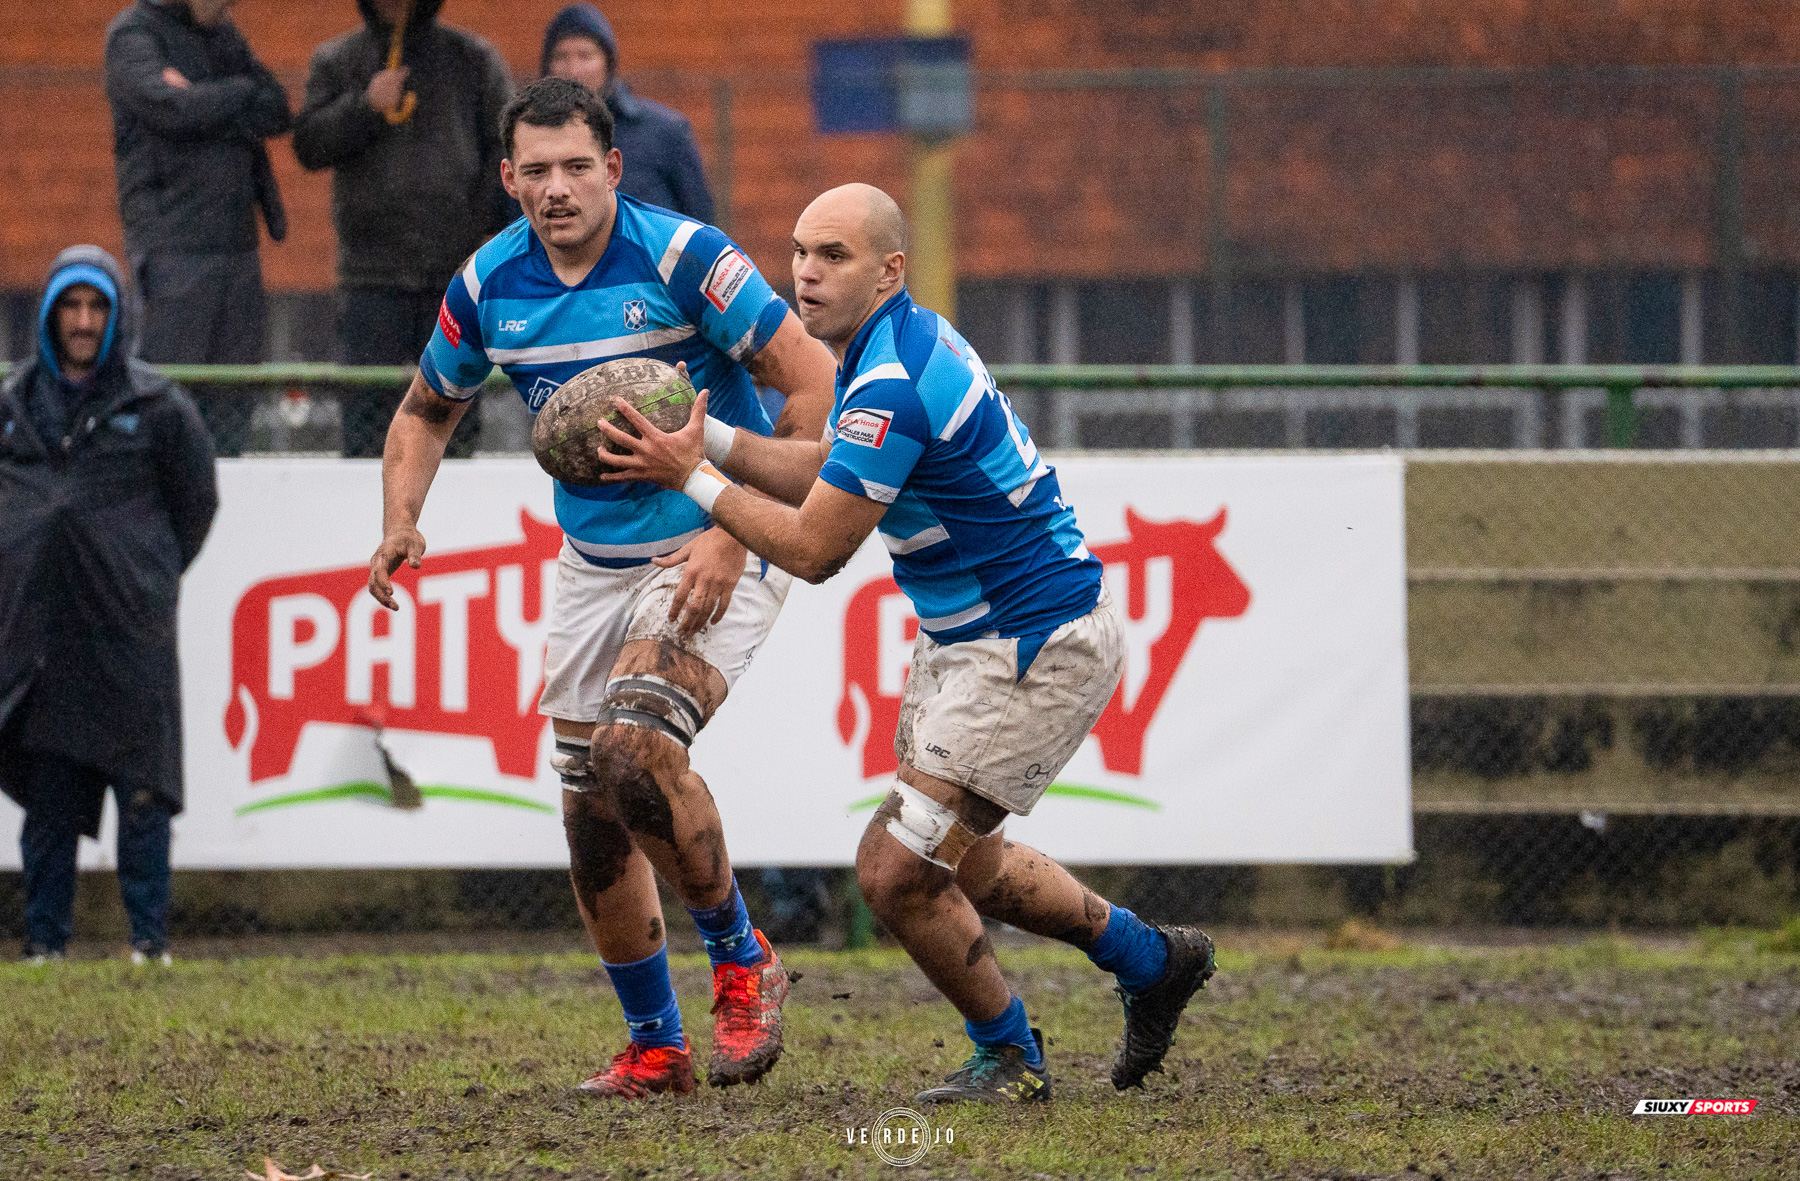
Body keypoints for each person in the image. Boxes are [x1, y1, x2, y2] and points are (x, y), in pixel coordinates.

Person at [596, 184, 1218, 1102]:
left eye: (834, 254)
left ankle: (1009, 1056)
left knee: (893, 871)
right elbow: (830, 465)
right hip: (979, 640)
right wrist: (715, 439)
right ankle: (1152, 959)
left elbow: (815, 547)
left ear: (891, 267)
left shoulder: (891, 379)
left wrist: (691, 478)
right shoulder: (891, 347)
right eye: (801, 251)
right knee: (968, 866)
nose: (806, 271)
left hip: (1029, 643)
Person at [364, 78, 838, 1097]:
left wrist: (726, 525)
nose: (557, 187)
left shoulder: (686, 258)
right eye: (534, 171)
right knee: (591, 809)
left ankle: (743, 956)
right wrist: (401, 518)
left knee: (635, 747)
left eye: (577, 165)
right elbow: (421, 412)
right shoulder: (489, 283)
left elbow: (813, 387)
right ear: (508, 180)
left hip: (715, 536)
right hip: (593, 565)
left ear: (614, 168)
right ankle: (656, 1044)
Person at [0, 246, 219, 966]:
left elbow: (197, 504)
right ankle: (45, 944)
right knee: (50, 796)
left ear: (118, 315)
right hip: (43, 635)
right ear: (50, 316)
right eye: (72, 307)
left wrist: (143, 575)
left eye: (98, 307)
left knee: (145, 793)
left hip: (132, 635)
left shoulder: (158, 408)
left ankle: (148, 942)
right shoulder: (13, 408)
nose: (85, 322)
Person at [292, 0, 515, 460]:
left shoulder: (472, 59)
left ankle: (453, 524)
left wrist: (483, 243)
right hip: (370, 279)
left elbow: (506, 154)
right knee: (366, 425)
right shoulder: (338, 60)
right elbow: (308, 144)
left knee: (452, 419)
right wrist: (364, 107)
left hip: (455, 281)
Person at [103, 0, 291, 457]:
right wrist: (237, 97)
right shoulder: (134, 35)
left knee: (235, 395)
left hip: (239, 248)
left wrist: (206, 97)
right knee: (168, 392)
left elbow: (277, 109)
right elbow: (169, 109)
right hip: (174, 249)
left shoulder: (225, 36)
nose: (231, 8)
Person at [540, 3, 715, 221]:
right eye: (561, 57)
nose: (573, 69)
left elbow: (699, 220)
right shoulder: (533, 136)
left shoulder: (664, 131)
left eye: (585, 56)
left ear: (608, 62)